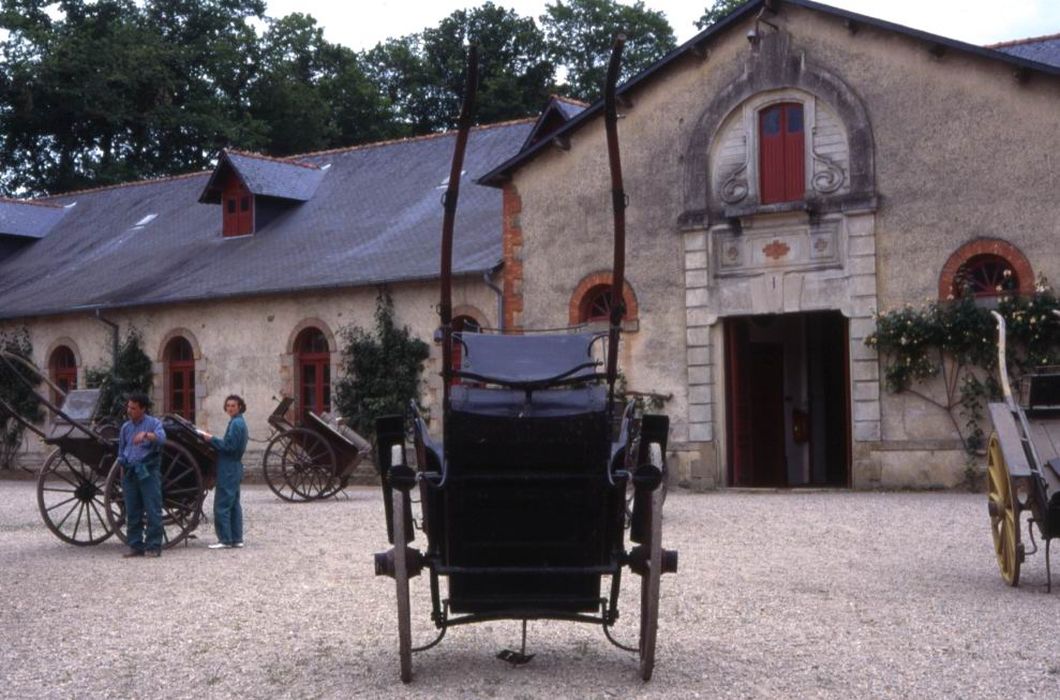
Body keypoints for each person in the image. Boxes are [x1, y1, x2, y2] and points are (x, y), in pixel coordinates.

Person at [117, 392, 166, 558]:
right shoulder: (126, 427)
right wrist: (122, 463)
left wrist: (146, 435)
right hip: (130, 473)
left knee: (152, 509)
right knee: (132, 511)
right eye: (129, 407)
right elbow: (121, 450)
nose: (129, 410)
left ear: (143, 409)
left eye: (133, 408)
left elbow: (161, 438)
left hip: (148, 472)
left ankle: (153, 546)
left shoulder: (153, 423)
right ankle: (135, 545)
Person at [200, 395, 248, 549]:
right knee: (234, 504)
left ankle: (225, 540)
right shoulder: (239, 422)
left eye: (233, 405)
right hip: (234, 466)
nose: (230, 408)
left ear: (239, 407)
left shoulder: (236, 424)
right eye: (228, 405)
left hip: (228, 467)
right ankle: (237, 538)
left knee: (222, 504)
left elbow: (229, 447)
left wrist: (211, 439)